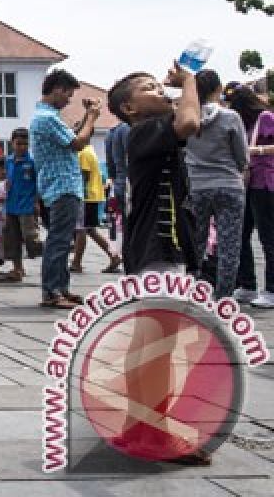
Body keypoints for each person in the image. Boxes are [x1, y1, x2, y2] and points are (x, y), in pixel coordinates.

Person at [105, 63, 210, 466]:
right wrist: (188, 82)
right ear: (131, 108)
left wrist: (184, 88)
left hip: (156, 248)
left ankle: (139, 429)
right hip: (157, 249)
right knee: (159, 348)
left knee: (150, 345)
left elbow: (192, 120)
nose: (158, 90)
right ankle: (153, 434)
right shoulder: (145, 130)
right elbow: (189, 122)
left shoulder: (147, 132)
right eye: (149, 88)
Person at [31, 69, 99, 309]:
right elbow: (78, 142)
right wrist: (91, 117)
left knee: (60, 240)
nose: (68, 100)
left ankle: (61, 287)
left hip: (60, 185)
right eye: (68, 95)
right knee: (59, 241)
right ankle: (52, 291)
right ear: (57, 89)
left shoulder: (46, 117)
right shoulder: (47, 118)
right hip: (62, 185)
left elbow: (74, 138)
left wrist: (88, 118)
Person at [182, 69, 249, 299]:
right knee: (229, 245)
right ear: (219, 89)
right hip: (229, 185)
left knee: (196, 243)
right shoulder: (231, 117)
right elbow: (242, 157)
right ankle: (224, 297)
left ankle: (192, 292)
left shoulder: (186, 118)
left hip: (197, 186)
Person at [228, 85, 274, 307]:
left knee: (268, 237)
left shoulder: (265, 118)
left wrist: (259, 151)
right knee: (241, 234)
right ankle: (247, 284)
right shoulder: (245, 124)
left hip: (265, 182)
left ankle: (272, 288)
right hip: (247, 183)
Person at [71, 144, 122, 274]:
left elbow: (84, 177)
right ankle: (114, 256)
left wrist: (77, 194)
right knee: (90, 230)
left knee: (81, 229)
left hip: (86, 196)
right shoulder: (89, 149)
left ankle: (76, 263)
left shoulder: (83, 152)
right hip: (92, 196)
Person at [0, 128, 41, 284]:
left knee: (31, 238)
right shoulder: (8, 161)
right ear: (12, 143)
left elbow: (38, 183)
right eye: (19, 144)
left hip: (27, 205)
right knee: (12, 239)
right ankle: (17, 268)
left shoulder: (32, 162)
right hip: (11, 205)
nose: (22, 147)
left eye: (25, 144)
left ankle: (50, 256)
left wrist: (36, 201)